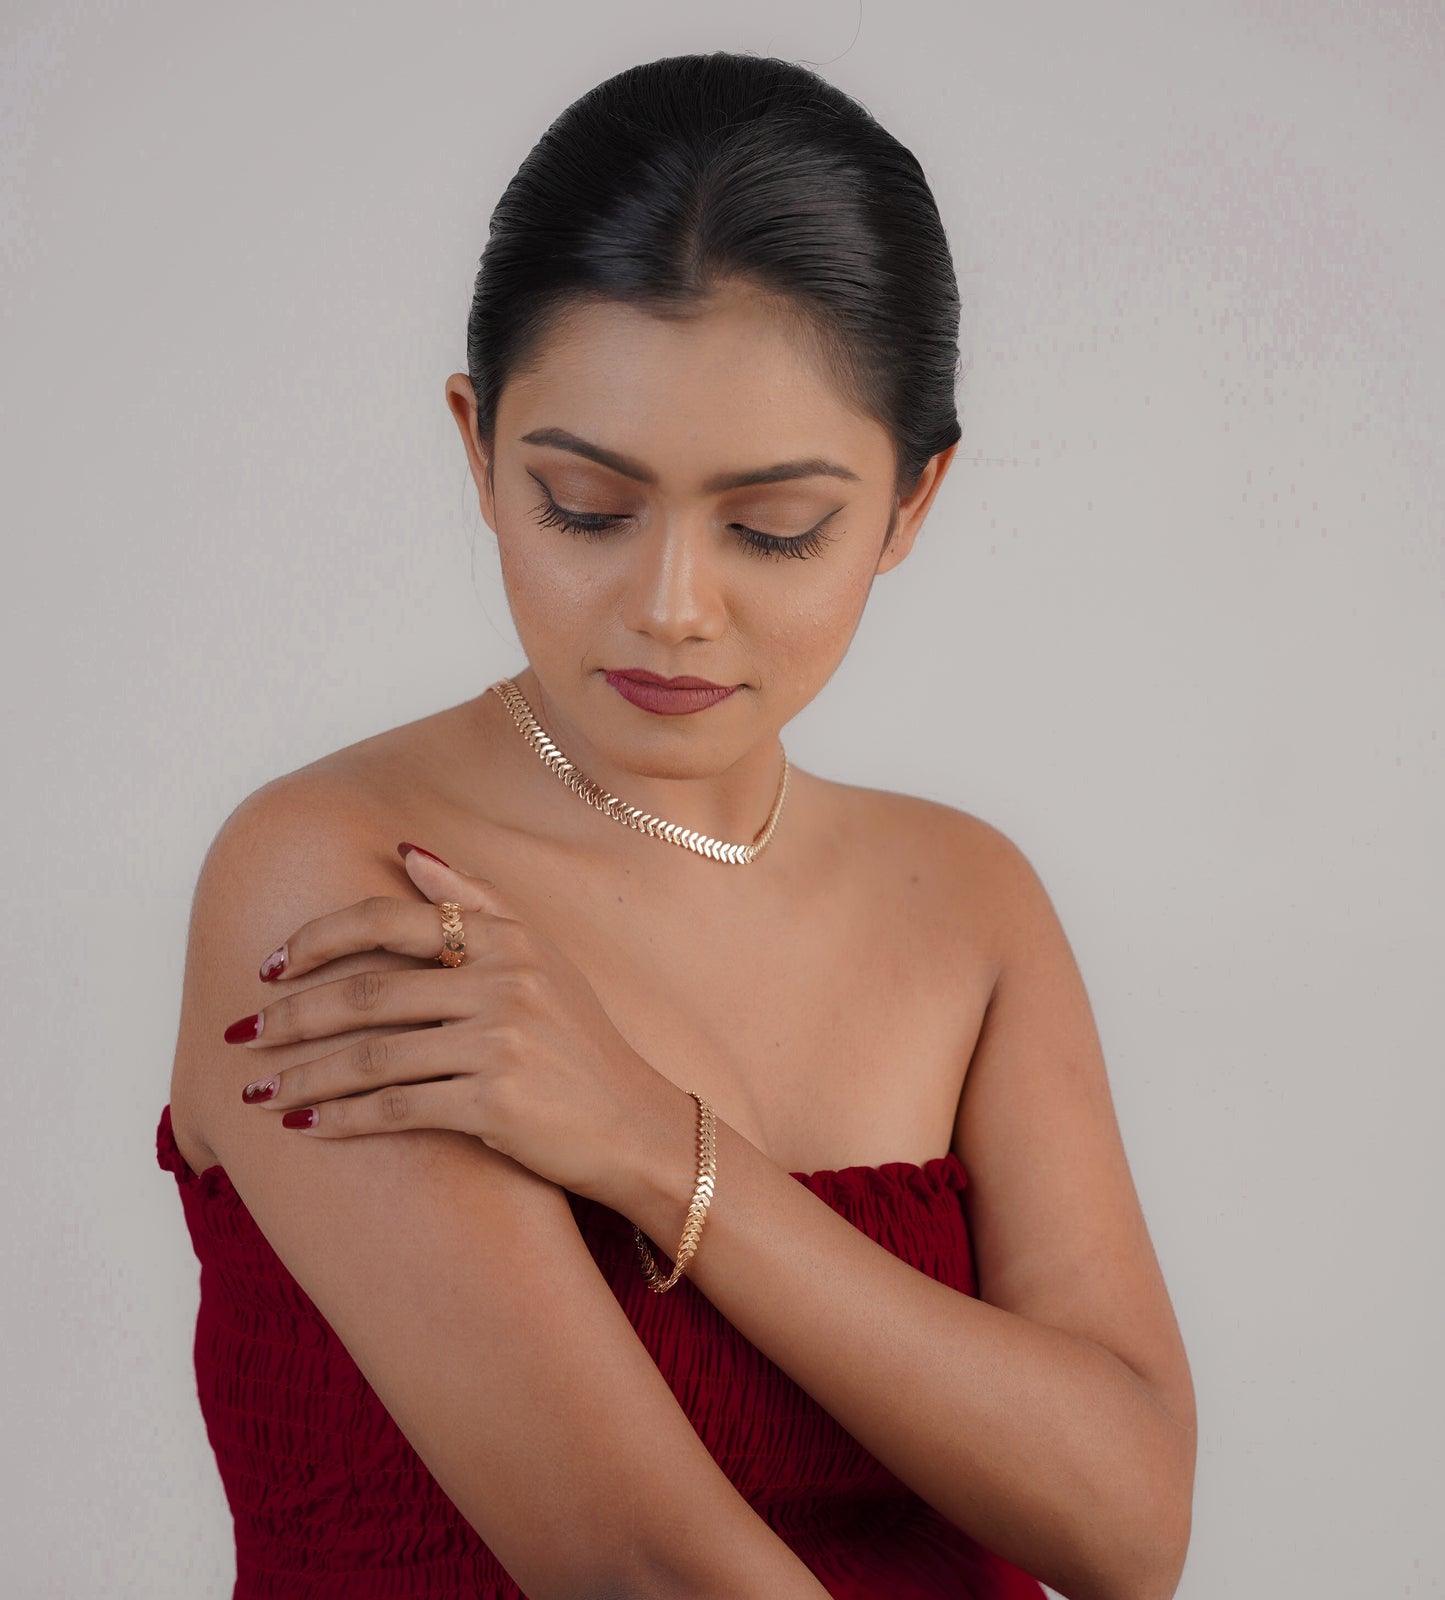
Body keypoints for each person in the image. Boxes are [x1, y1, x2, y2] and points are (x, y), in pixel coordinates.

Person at [157, 49, 1196, 1600]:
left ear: (912, 505)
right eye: (583, 502)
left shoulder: (966, 900)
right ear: (476, 446)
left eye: (776, 528)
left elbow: (1127, 1527)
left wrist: (657, 1149)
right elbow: (647, 1569)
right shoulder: (335, 880)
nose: (670, 609)